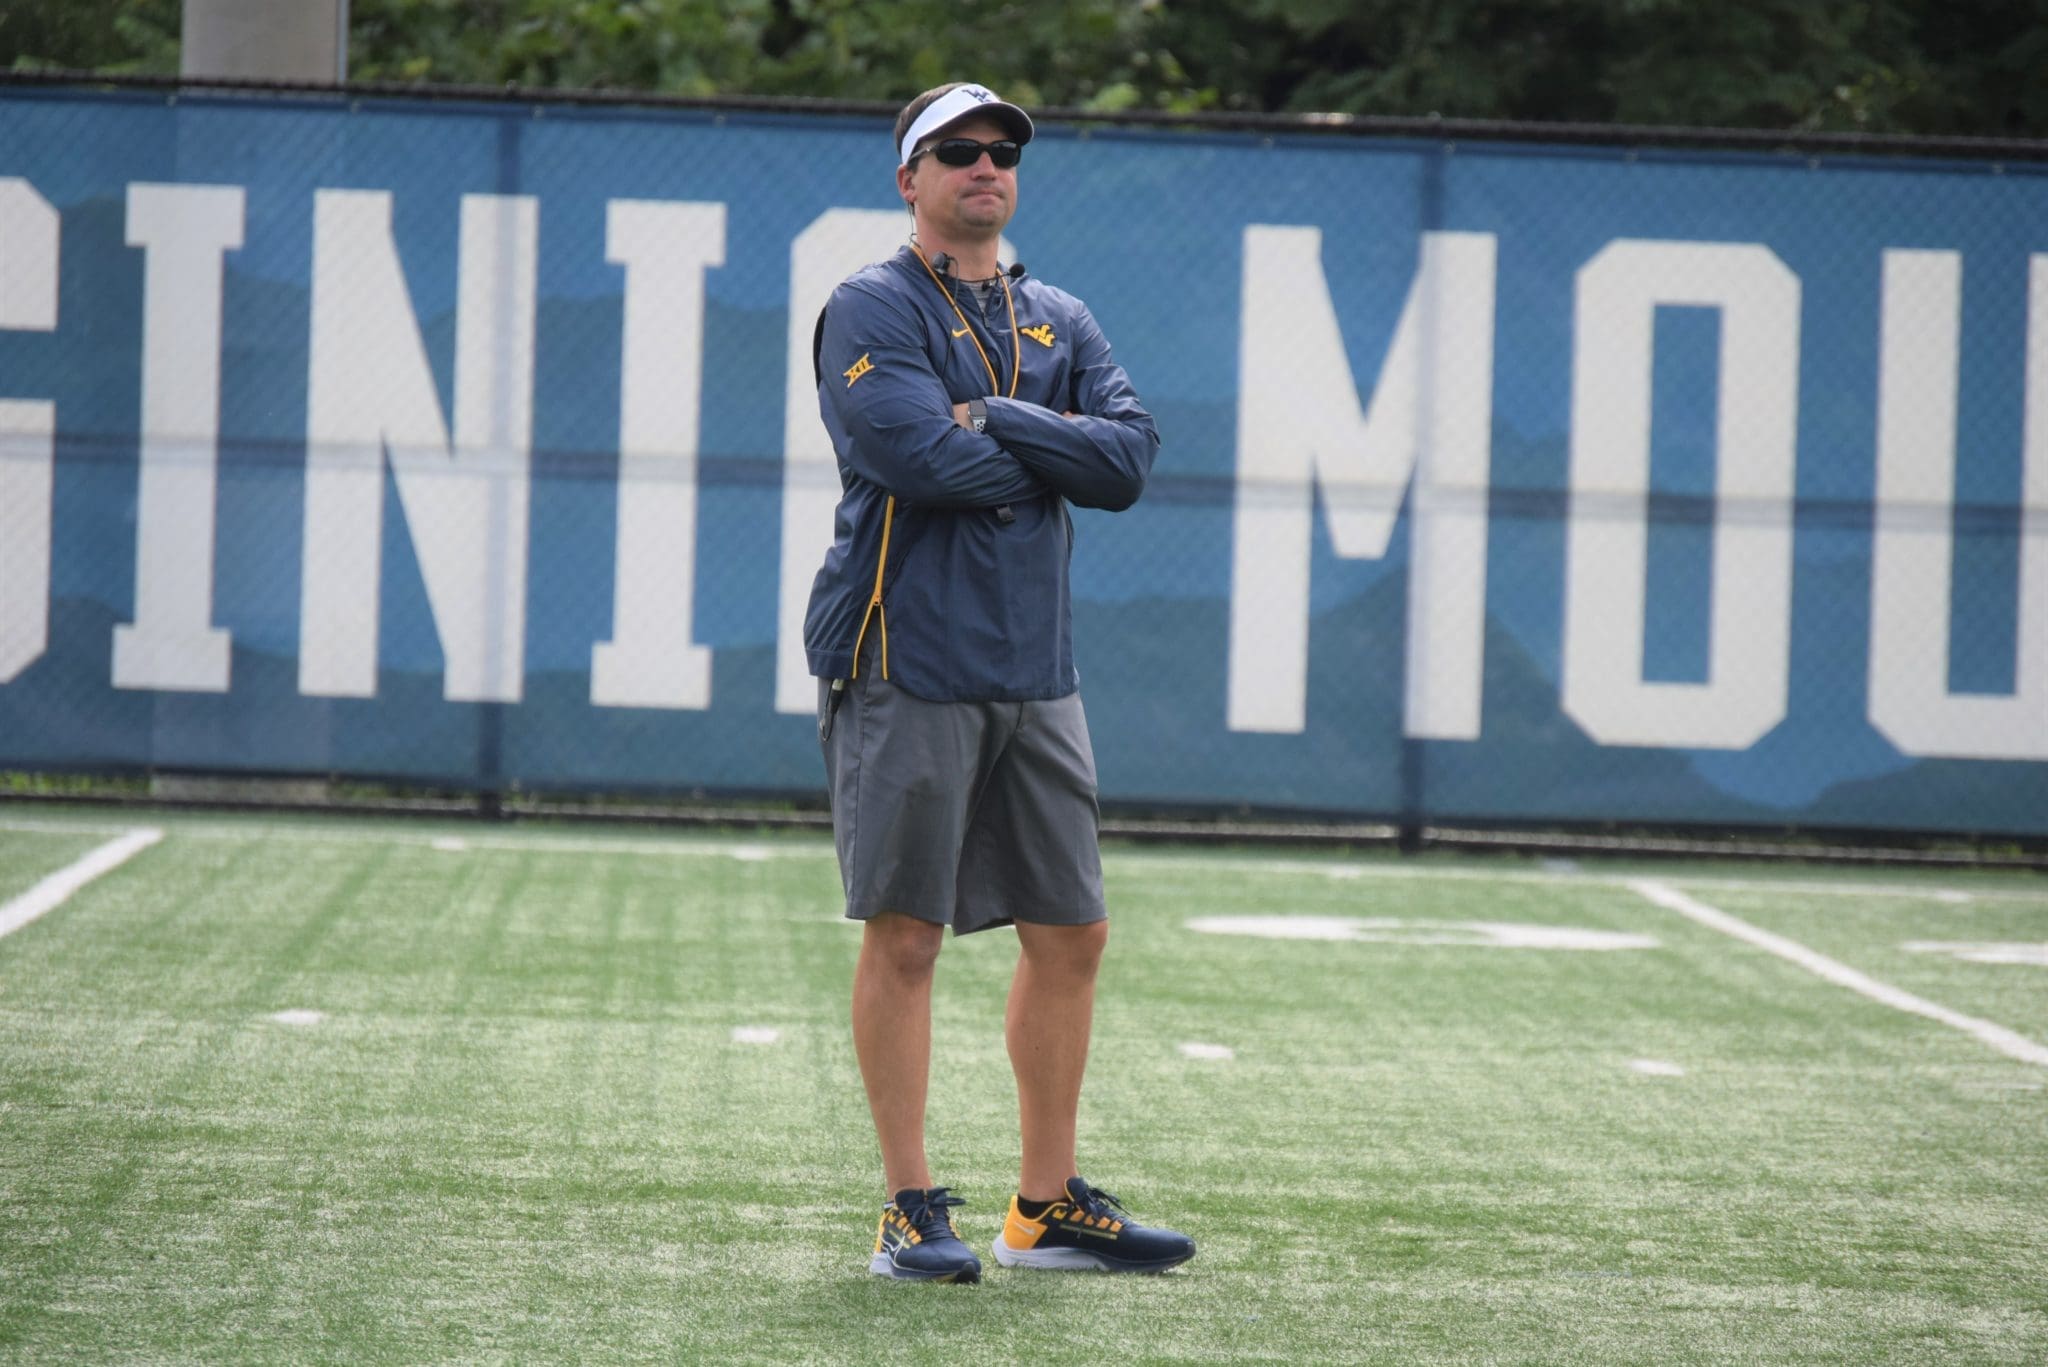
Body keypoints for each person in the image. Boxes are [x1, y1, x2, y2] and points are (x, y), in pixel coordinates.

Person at [804, 81, 1195, 1283]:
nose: (985, 167)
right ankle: (907, 1206)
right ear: (908, 178)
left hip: (1034, 664)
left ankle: (1041, 1207)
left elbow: (1127, 462)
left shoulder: (1056, 314)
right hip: (905, 654)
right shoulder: (870, 302)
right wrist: (1044, 446)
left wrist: (1002, 417)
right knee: (909, 933)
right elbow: (920, 459)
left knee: (1071, 929)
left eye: (1001, 152)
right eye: (957, 152)